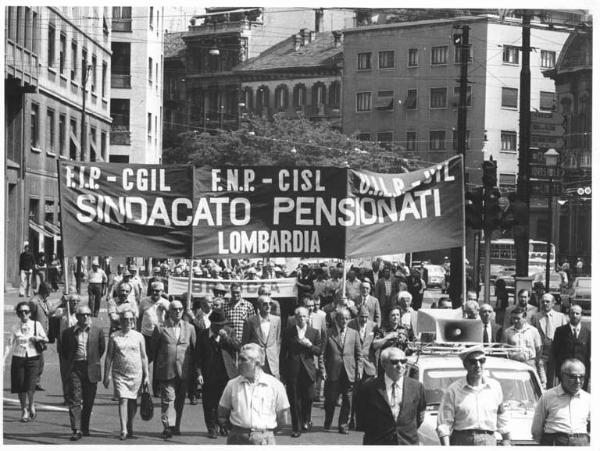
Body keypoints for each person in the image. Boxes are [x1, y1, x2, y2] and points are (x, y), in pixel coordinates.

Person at [436, 345, 511, 446]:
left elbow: (501, 417)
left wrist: (506, 440)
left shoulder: (495, 387)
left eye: (482, 361)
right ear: (465, 365)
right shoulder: (453, 390)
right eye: (473, 361)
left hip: (488, 441)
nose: (478, 365)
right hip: (462, 441)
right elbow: (444, 424)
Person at [217, 343, 290, 445]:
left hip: (264, 441)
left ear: (257, 363)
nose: (238, 363)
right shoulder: (232, 385)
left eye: (243, 359)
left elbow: (282, 419)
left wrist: (264, 433)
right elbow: (222, 414)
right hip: (237, 439)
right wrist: (238, 431)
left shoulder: (275, 385)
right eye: (239, 359)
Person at [356, 347, 426, 445]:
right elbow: (362, 419)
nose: (400, 365)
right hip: (378, 442)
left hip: (407, 443)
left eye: (403, 361)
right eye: (395, 362)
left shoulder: (417, 387)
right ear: (384, 364)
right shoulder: (369, 388)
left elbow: (419, 417)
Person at [151, 300, 200, 438]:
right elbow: (154, 350)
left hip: (184, 370)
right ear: (169, 312)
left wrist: (196, 372)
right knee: (168, 399)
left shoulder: (190, 328)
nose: (178, 312)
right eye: (174, 309)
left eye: (180, 309)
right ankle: (167, 426)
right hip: (167, 370)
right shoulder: (160, 328)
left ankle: (175, 426)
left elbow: (195, 350)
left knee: (179, 401)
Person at [61, 305, 105, 440]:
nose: (85, 317)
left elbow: (101, 349)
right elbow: (64, 351)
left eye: (87, 314)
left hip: (91, 368)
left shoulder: (97, 331)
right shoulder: (68, 332)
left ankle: (85, 426)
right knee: (75, 398)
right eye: (82, 315)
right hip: (75, 368)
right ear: (77, 317)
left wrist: (93, 361)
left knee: (89, 400)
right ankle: (76, 429)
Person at [103, 308, 149, 440]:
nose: (128, 322)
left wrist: (147, 376)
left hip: (136, 373)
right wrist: (106, 376)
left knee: (133, 400)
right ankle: (123, 429)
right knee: (123, 399)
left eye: (130, 319)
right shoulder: (114, 336)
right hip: (119, 374)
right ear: (120, 321)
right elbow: (109, 357)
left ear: (133, 321)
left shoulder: (139, 336)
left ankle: (130, 425)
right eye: (124, 319)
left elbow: (144, 357)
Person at [196, 310, 240, 439]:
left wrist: (226, 337)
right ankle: (211, 428)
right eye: (218, 325)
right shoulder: (203, 335)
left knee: (225, 402)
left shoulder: (229, 332)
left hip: (226, 373)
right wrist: (199, 374)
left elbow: (237, 346)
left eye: (223, 324)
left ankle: (223, 426)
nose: (221, 327)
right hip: (209, 373)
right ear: (212, 323)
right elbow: (198, 357)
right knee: (209, 402)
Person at [3, 301, 48, 422]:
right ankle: (24, 409)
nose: (24, 314)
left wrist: (38, 338)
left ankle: (31, 403)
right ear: (18, 314)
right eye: (21, 312)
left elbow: (46, 338)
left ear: (30, 313)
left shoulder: (36, 325)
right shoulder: (14, 327)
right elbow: (9, 344)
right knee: (20, 385)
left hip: (34, 357)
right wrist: (3, 360)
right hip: (18, 358)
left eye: (26, 312)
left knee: (30, 385)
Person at [281, 306, 322, 437]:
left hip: (309, 371)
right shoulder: (288, 332)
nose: (301, 319)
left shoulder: (314, 332)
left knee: (309, 398)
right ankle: (296, 428)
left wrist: (309, 345)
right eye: (299, 316)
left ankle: (306, 419)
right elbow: (283, 354)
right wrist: (283, 373)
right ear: (295, 318)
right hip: (293, 371)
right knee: (294, 400)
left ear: (308, 317)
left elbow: (319, 351)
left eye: (304, 316)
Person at [530, 358, 590, 446]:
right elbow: (536, 430)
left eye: (581, 377)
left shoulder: (588, 398)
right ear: (562, 376)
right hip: (554, 442)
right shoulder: (548, 396)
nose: (578, 381)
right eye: (573, 377)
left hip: (581, 443)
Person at [323, 307, 362, 434]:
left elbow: (359, 355)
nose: (344, 321)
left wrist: (359, 370)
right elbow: (322, 354)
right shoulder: (328, 332)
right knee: (331, 400)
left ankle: (343, 425)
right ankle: (328, 421)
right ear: (336, 319)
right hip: (333, 371)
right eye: (341, 318)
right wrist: (323, 370)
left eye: (346, 318)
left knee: (347, 400)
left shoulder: (354, 333)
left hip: (349, 371)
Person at [348, 305, 378, 429]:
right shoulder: (350, 324)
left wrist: (375, 366)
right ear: (357, 316)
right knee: (354, 395)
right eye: (362, 317)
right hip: (354, 365)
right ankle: (351, 420)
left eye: (366, 317)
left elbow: (375, 348)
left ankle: (364, 422)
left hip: (369, 364)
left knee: (367, 394)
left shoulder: (374, 326)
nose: (364, 320)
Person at [530, 293, 567, 388]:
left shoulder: (561, 317)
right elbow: (532, 335)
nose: (545, 303)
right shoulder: (536, 317)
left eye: (548, 301)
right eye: (543, 302)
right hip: (542, 353)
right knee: (541, 381)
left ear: (553, 303)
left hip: (555, 353)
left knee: (554, 381)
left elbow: (565, 336)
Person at [551, 304, 590, 390]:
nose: (574, 316)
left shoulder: (587, 332)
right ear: (569, 315)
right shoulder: (560, 331)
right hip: (565, 373)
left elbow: (589, 355)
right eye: (572, 313)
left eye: (577, 313)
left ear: (581, 315)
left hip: (581, 374)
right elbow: (555, 353)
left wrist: (587, 374)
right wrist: (558, 373)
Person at [241, 295, 281, 378]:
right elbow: (245, 343)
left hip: (272, 361)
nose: (268, 306)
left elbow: (277, 340)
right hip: (256, 360)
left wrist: (275, 355)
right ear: (258, 306)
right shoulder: (250, 321)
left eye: (270, 304)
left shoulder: (276, 320)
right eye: (265, 304)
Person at [29, 281, 56, 391]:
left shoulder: (45, 301)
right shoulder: (34, 302)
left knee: (39, 360)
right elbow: (29, 318)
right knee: (36, 360)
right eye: (49, 290)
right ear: (44, 290)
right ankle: (32, 381)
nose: (50, 293)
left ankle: (35, 381)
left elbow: (50, 312)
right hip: (35, 335)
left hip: (42, 336)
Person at [502, 307, 542, 376]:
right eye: (513, 318)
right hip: (513, 364)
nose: (515, 321)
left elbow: (538, 348)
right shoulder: (507, 332)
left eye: (518, 318)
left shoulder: (533, 331)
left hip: (529, 363)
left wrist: (535, 361)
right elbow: (504, 349)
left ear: (524, 318)